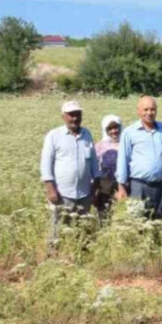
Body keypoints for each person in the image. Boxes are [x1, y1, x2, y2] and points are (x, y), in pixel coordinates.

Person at [40, 101, 100, 244]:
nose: (75, 118)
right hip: (61, 194)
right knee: (57, 230)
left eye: (77, 114)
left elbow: (93, 161)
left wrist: (95, 185)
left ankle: (78, 257)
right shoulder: (54, 135)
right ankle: (53, 258)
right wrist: (50, 188)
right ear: (63, 116)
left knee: (81, 229)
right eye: (71, 115)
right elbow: (46, 163)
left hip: (84, 193)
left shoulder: (87, 134)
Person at [116, 96, 162, 219]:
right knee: (139, 223)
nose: (149, 113)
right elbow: (123, 160)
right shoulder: (129, 132)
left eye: (152, 109)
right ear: (138, 111)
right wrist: (121, 187)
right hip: (139, 185)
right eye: (145, 109)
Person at [94, 114, 121, 217]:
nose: (114, 131)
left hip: (123, 184)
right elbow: (94, 167)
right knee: (105, 215)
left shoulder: (126, 143)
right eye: (110, 128)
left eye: (116, 127)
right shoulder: (99, 146)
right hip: (104, 186)